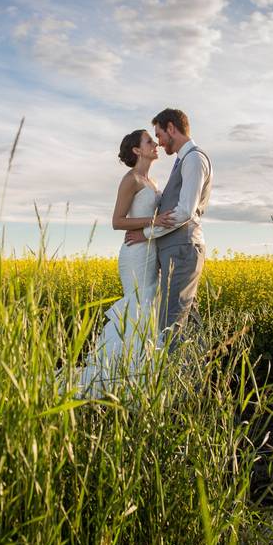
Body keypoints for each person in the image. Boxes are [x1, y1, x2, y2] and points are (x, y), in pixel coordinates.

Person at [78, 129, 175, 395]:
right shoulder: (130, 179)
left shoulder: (152, 182)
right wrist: (152, 222)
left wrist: (151, 229)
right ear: (136, 151)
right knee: (137, 308)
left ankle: (138, 378)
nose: (155, 144)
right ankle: (115, 378)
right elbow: (117, 221)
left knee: (148, 311)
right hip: (134, 255)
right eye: (149, 141)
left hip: (149, 251)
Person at [124, 108, 212, 348]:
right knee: (181, 319)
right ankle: (191, 376)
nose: (159, 143)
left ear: (171, 128)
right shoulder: (183, 160)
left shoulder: (193, 158)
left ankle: (173, 380)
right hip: (175, 248)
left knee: (172, 322)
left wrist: (145, 234)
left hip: (183, 247)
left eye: (159, 135)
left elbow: (184, 211)